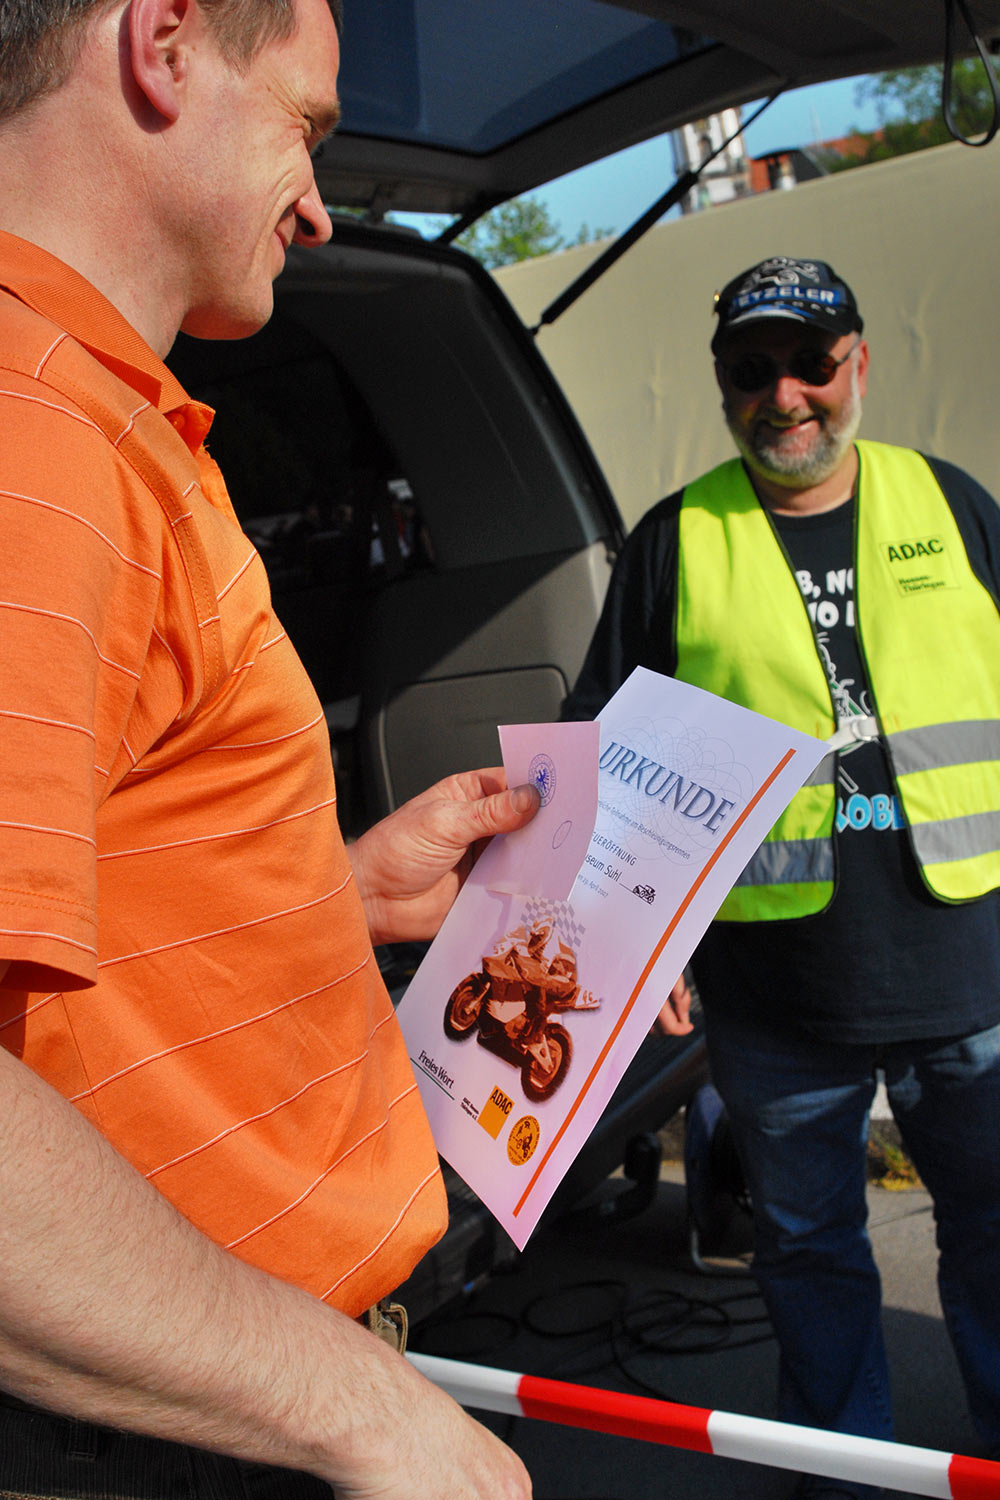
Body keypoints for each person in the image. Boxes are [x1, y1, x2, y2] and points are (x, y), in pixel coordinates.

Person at [0, 2, 539, 1498]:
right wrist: (355, 1413)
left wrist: (337, 890)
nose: (316, 203)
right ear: (162, 45)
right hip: (170, 1425)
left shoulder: (109, 427)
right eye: (303, 126)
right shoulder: (35, 443)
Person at [564, 256, 1000, 1498]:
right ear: (724, 386)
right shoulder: (676, 542)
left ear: (856, 361)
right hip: (774, 989)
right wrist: (630, 947)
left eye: (811, 363)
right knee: (805, 1248)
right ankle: (841, 1469)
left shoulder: (951, 505)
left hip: (966, 969)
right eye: (753, 372)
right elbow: (608, 756)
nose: (787, 396)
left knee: (994, 1233)